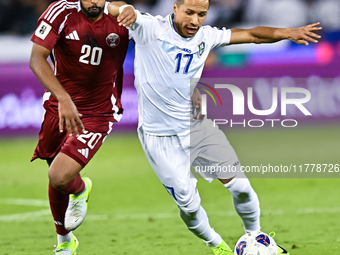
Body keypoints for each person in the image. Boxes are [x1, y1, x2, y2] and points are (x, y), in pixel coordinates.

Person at [108, 0, 321, 254]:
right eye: (189, 13)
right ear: (175, 8)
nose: (195, 21)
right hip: (159, 137)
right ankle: (216, 245)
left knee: (241, 187)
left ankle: (255, 236)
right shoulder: (149, 28)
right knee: (188, 205)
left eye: (201, 14)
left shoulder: (207, 36)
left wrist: (288, 32)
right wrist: (124, 10)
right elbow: (113, 6)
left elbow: (252, 35)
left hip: (195, 126)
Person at [29, 0, 129, 254]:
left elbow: (156, 34)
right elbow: (36, 59)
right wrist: (63, 98)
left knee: (59, 175)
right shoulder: (61, 12)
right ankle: (65, 243)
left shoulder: (122, 16)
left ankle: (81, 189)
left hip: (98, 112)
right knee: (58, 177)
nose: (94, 1)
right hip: (59, 108)